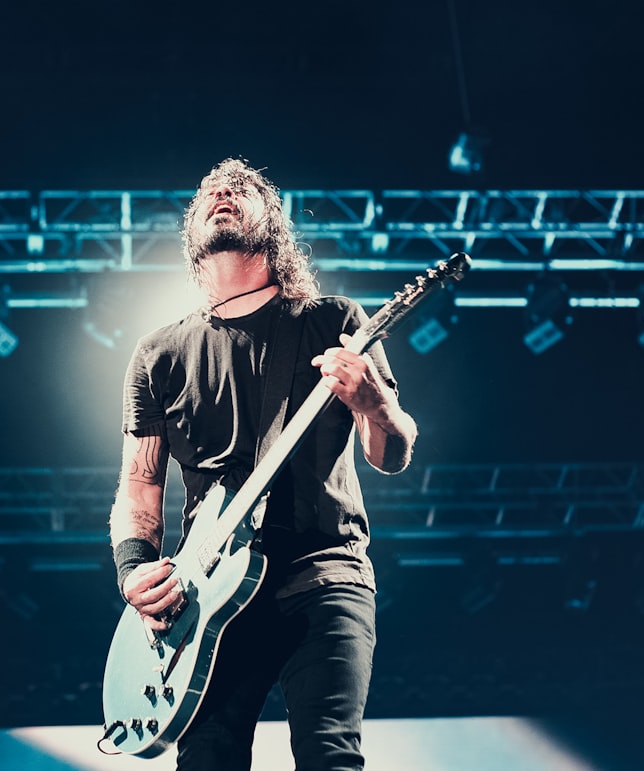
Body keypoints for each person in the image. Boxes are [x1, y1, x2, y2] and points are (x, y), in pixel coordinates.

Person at [108, 158, 418, 771]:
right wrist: (135, 570)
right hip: (208, 594)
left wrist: (373, 402)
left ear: (272, 220)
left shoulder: (335, 323)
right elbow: (139, 484)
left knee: (329, 755)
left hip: (323, 572)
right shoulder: (159, 354)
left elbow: (393, 453)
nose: (222, 194)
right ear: (192, 229)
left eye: (241, 189)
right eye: (209, 192)